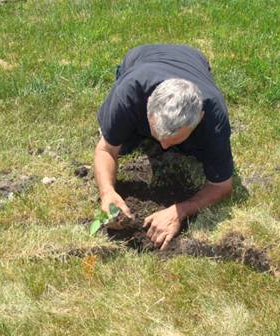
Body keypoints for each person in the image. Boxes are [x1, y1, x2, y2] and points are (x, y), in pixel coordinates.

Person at [94, 44, 233, 250]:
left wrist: (180, 210)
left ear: (200, 117)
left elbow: (222, 186)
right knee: (121, 143)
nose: (164, 146)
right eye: (158, 135)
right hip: (140, 58)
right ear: (148, 105)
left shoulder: (213, 116)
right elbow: (106, 149)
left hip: (192, 58)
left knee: (194, 151)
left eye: (174, 139)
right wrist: (107, 192)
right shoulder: (130, 93)